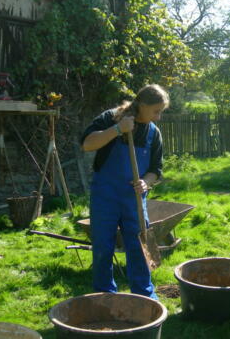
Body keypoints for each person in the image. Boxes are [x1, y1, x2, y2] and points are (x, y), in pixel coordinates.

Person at [81, 84, 169, 300]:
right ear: (142, 105)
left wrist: (146, 183)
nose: (158, 117)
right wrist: (118, 130)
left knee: (139, 246)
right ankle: (104, 295)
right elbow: (87, 144)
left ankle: (144, 295)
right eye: (156, 111)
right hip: (106, 196)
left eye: (161, 112)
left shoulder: (153, 133)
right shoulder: (111, 118)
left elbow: (155, 170)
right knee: (103, 246)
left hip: (134, 200)